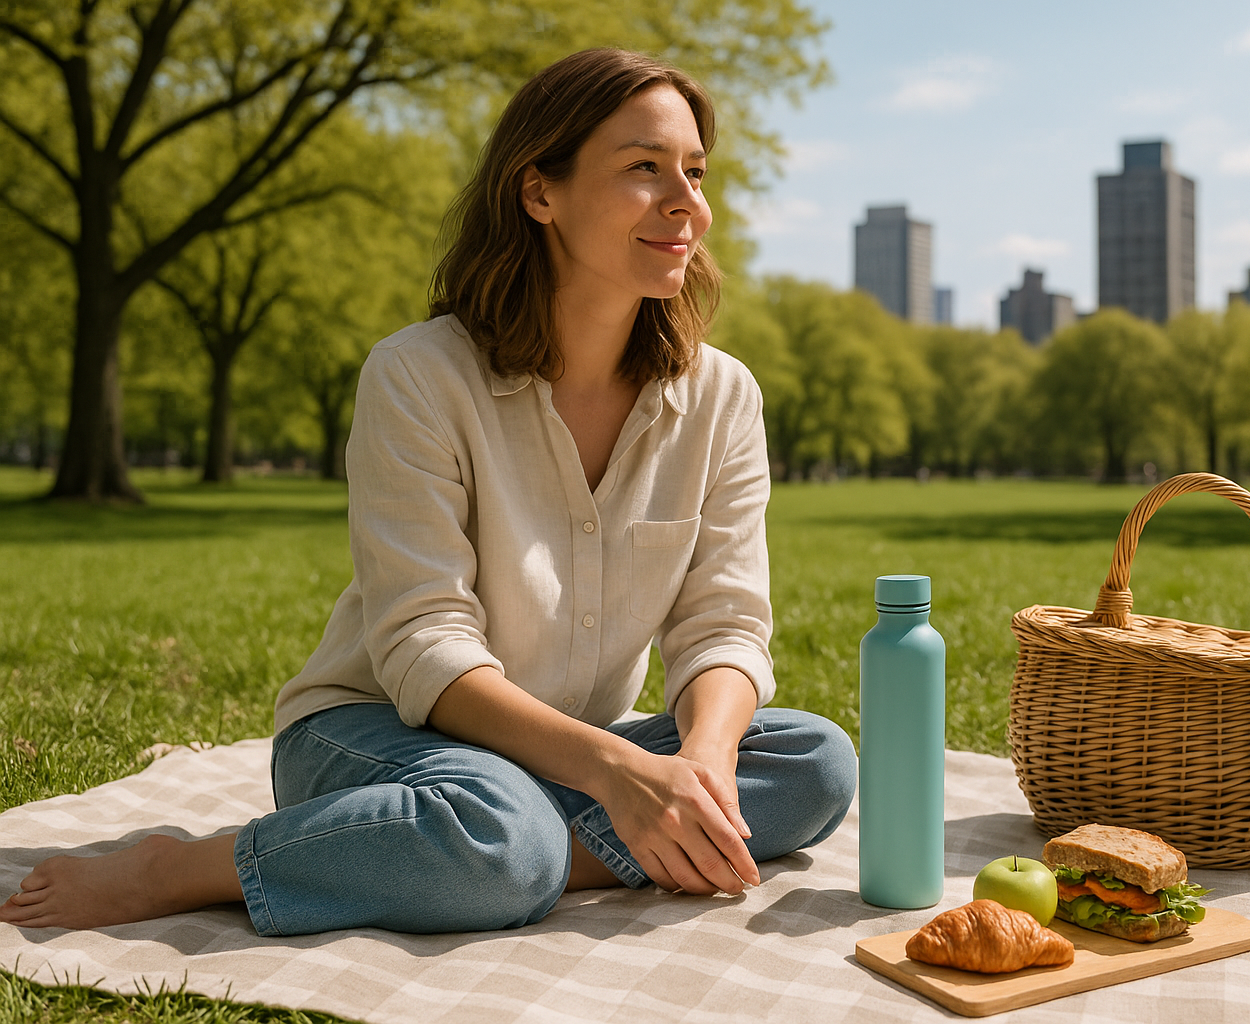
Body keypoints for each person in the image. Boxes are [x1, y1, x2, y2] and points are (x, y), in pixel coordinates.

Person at [0, 48, 857, 936]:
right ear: (540, 193)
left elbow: (724, 621)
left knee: (814, 760)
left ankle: (495, 856)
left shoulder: (722, 397)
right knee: (506, 834)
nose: (688, 202)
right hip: (378, 729)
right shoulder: (416, 375)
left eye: (694, 171)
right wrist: (615, 776)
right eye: (644, 167)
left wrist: (706, 765)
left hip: (566, 755)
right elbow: (424, 645)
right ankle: (189, 866)